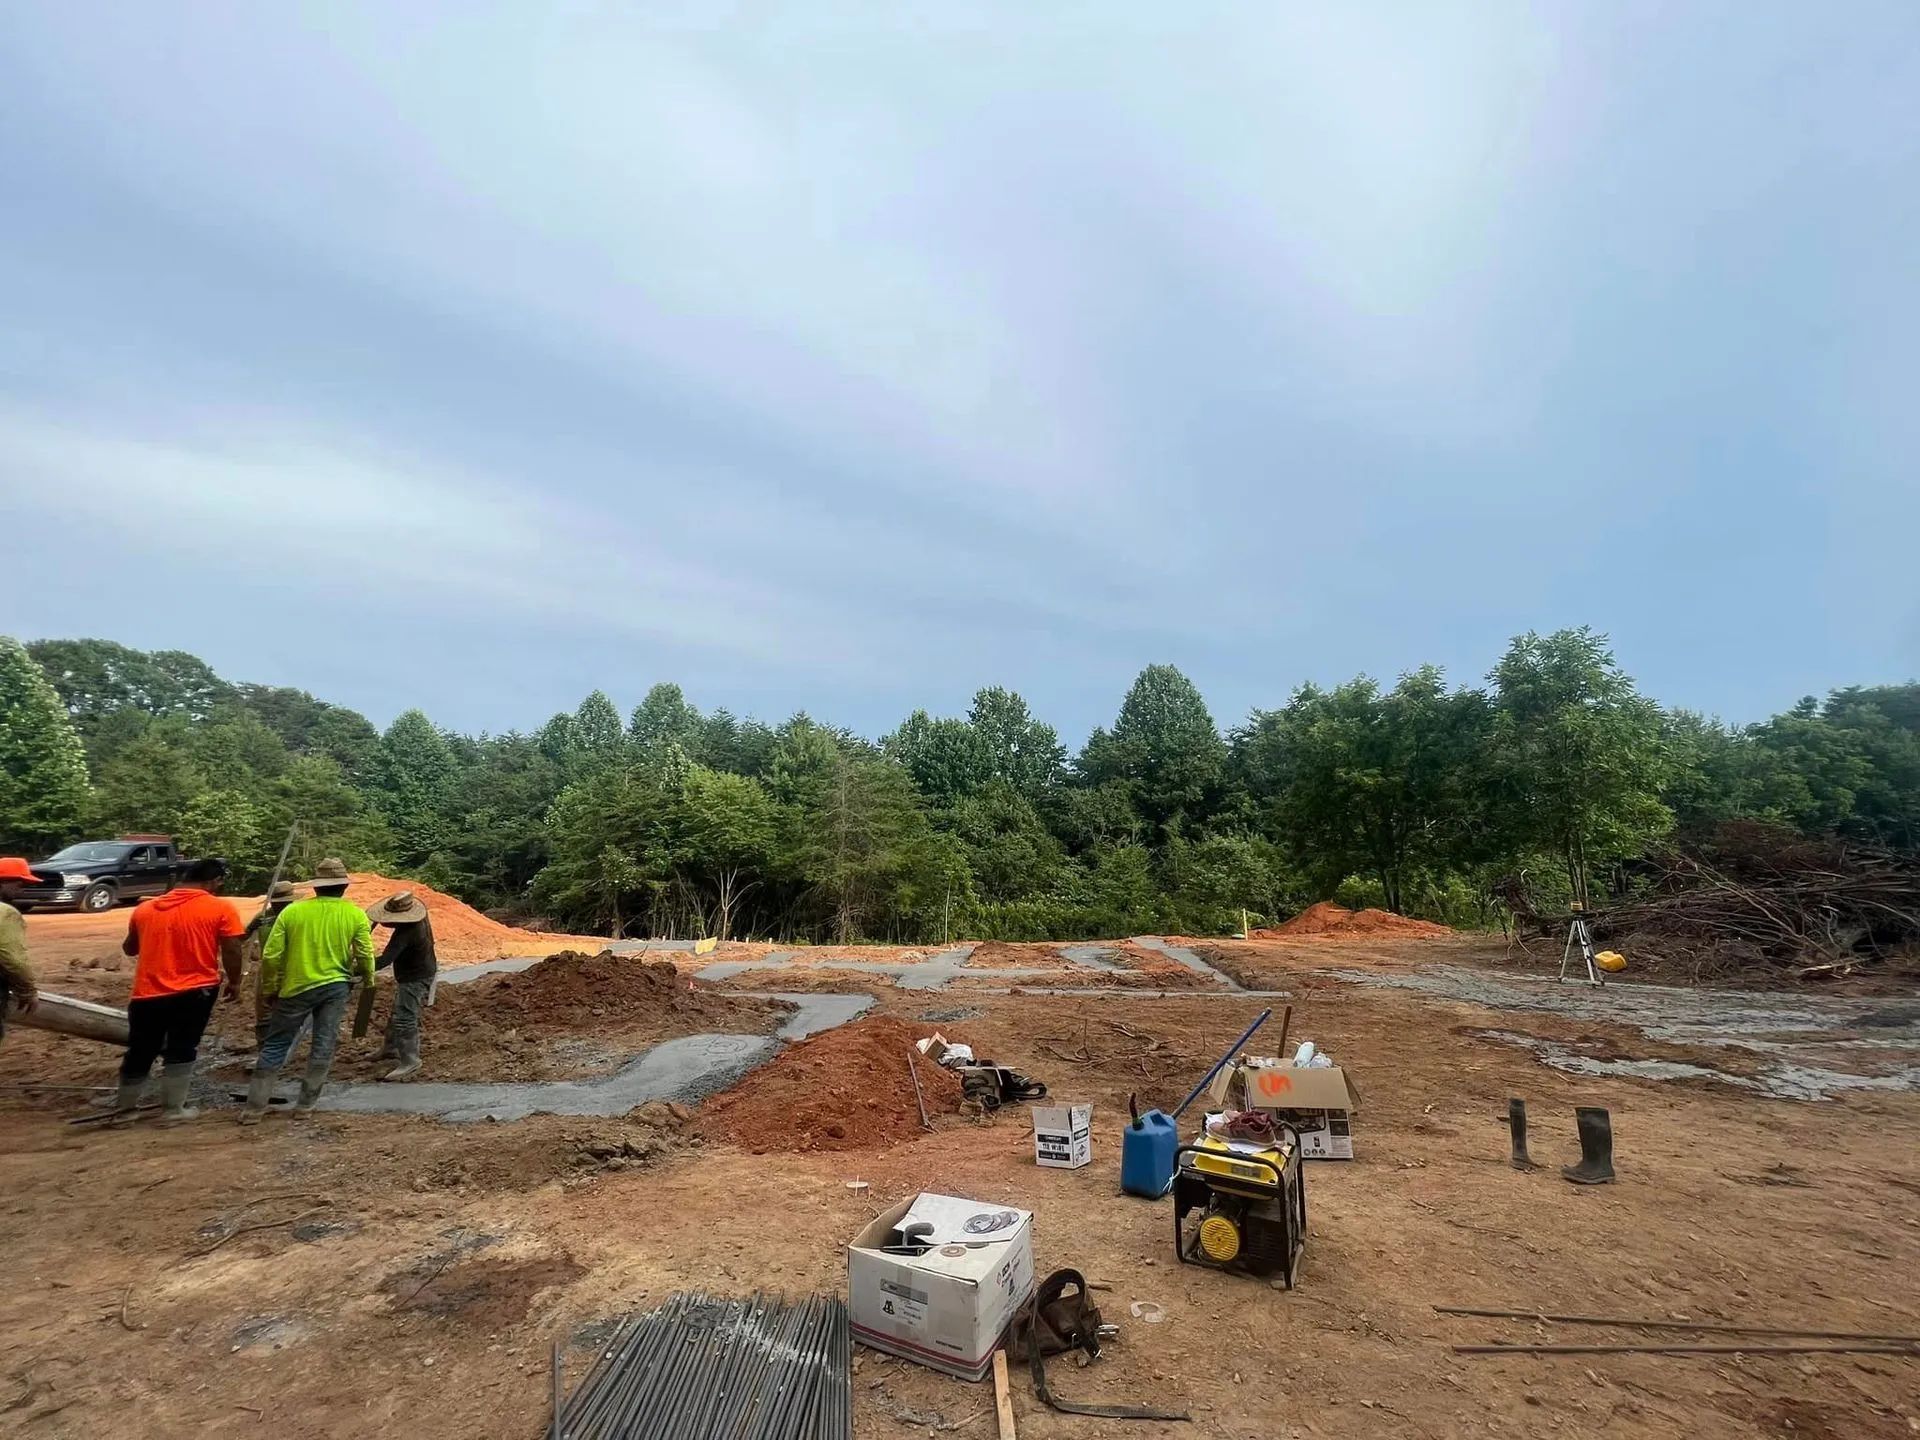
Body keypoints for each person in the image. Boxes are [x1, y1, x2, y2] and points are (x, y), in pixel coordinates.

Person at [243, 857, 374, 1122]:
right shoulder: (355, 914)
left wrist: (270, 988)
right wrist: (368, 980)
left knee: (276, 1044)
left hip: (294, 989)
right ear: (344, 887)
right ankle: (305, 1107)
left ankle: (254, 1108)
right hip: (335, 988)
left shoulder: (292, 912)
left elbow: (271, 956)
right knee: (323, 1044)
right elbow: (365, 954)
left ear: (315, 887)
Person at [117, 855, 244, 1124]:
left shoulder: (145, 909)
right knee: (183, 1046)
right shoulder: (220, 907)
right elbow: (232, 948)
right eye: (218, 883)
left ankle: (124, 1111)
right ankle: (173, 1110)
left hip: (147, 993)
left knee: (140, 1049)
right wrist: (235, 981)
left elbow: (130, 948)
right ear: (213, 881)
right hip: (195, 990)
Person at [366, 890, 436, 1082]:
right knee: (398, 1011)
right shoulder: (418, 919)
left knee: (405, 1017)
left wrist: (358, 966)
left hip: (416, 976)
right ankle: (390, 1048)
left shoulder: (407, 932)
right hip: (417, 972)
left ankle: (410, 1060)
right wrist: (370, 925)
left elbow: (384, 961)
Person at [241, 880, 302, 1049]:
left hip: (293, 966)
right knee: (264, 1011)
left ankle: (283, 1048)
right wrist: (251, 928)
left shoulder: (298, 915)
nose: (280, 905)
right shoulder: (263, 917)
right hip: (268, 967)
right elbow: (241, 938)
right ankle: (264, 1048)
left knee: (287, 1010)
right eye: (277, 902)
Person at [0, 857, 42, 1047]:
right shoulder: (5, 912)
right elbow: (13, 959)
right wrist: (27, 990)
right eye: (19, 883)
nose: (22, 888)